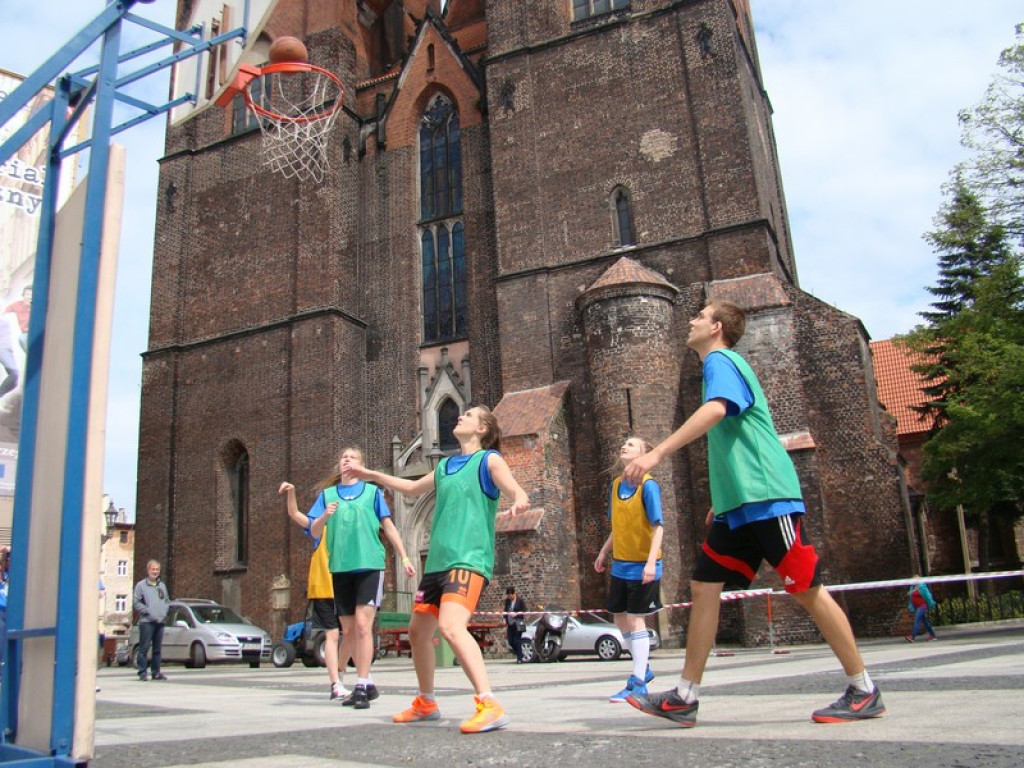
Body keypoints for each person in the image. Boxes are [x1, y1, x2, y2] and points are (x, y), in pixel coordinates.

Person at [622, 301, 885, 726]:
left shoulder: (721, 359)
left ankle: (864, 689)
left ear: (717, 328)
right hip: (737, 508)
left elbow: (717, 411)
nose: (691, 321)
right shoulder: (718, 364)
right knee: (704, 586)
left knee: (806, 587)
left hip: (767, 499)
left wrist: (657, 454)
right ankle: (685, 696)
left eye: (700, 317)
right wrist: (721, 498)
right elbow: (734, 439)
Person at [347, 405, 530, 734]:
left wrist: (518, 498)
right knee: (418, 632)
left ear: (482, 430)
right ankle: (427, 702)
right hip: (436, 565)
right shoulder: (446, 467)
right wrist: (371, 475)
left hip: (468, 560)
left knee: (450, 627)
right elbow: (411, 488)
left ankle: (489, 703)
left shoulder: (488, 460)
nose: (462, 416)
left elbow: (515, 487)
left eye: (470, 415)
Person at [306, 446, 417, 709]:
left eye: (352, 457)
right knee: (348, 630)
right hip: (341, 568)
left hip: (369, 565)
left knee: (364, 626)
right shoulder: (327, 495)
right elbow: (313, 531)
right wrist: (324, 515)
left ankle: (361, 683)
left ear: (361, 464)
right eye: (343, 457)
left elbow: (388, 527)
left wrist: (404, 557)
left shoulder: (372, 492)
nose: (347, 460)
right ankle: (366, 682)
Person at [594, 436, 663, 702]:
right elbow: (618, 528)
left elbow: (659, 526)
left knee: (636, 619)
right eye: (623, 443)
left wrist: (650, 563)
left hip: (642, 565)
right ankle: (642, 668)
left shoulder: (649, 486)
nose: (624, 445)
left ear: (644, 454)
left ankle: (637, 683)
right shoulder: (615, 486)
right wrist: (603, 551)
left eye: (632, 445)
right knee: (620, 618)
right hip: (621, 564)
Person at [279, 478, 348, 700]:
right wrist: (292, 491)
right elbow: (296, 514)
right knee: (332, 635)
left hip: (347, 584)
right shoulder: (320, 528)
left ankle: (340, 672)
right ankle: (335, 683)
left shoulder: (349, 530)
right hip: (325, 587)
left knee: (355, 632)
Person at [133, 559, 170, 681]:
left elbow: (166, 601)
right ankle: (142, 672)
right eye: (153, 569)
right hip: (147, 622)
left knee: (157, 649)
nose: (155, 572)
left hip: (160, 622)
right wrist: (147, 611)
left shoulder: (162, 586)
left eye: (157, 570)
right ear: (148, 570)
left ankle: (156, 672)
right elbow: (136, 602)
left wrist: (164, 612)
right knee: (144, 648)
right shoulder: (141, 586)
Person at [503, 586, 527, 663]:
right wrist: (504, 618)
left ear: (514, 593)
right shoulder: (507, 601)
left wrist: (516, 614)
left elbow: (524, 611)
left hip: (518, 623)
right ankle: (520, 654)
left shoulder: (520, 601)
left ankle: (519, 659)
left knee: (517, 640)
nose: (510, 597)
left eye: (511, 595)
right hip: (510, 623)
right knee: (510, 641)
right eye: (508, 596)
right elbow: (505, 610)